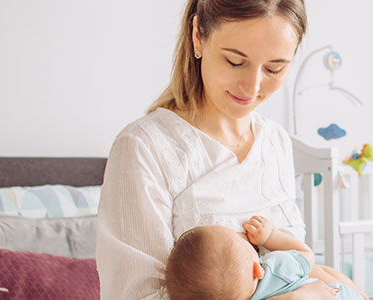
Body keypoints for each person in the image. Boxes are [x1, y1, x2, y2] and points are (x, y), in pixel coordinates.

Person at [96, 0, 338, 298]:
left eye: (274, 68)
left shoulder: (275, 141)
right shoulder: (145, 147)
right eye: (235, 62)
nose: (252, 87)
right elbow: (135, 294)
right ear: (198, 35)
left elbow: (294, 265)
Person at [164, 216, 368, 300]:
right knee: (328, 272)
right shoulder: (276, 267)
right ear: (257, 268)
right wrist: (271, 237)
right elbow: (307, 254)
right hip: (338, 295)